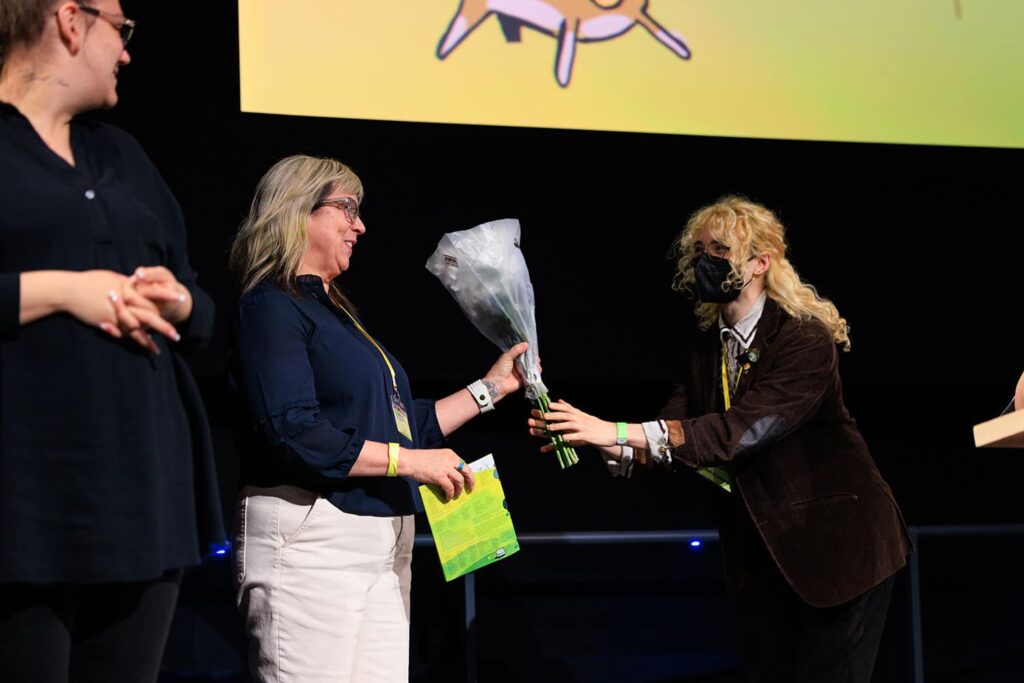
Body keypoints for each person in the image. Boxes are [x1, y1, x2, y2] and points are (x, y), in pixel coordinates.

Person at [529, 196, 911, 683]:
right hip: (767, 560)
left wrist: (615, 429)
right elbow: (673, 441)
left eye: (720, 249)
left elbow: (741, 432)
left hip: (839, 549)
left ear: (760, 262)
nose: (705, 260)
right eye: (700, 249)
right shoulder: (707, 348)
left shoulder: (803, 340)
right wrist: (587, 435)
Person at [228, 154, 530, 683]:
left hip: (381, 540)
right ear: (299, 211)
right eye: (346, 208)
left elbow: (398, 425)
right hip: (312, 542)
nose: (359, 225)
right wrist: (409, 462)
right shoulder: (271, 308)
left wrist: (491, 389)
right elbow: (293, 432)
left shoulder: (338, 316)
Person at [0, 2, 223, 681]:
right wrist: (66, 289)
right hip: (23, 505)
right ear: (71, 19)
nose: (126, 52)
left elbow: (201, 309)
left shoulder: (123, 157)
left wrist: (179, 300)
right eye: (118, 31)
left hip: (143, 502)